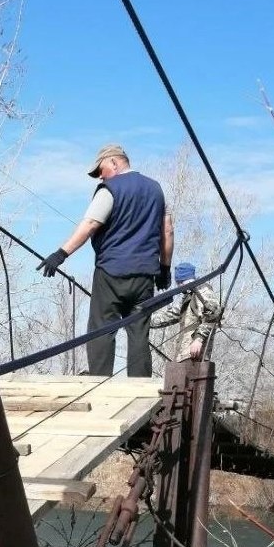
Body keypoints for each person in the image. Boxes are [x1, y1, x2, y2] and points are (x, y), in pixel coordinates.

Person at [37, 144, 173, 377]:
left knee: (102, 330)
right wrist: (164, 268)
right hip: (144, 276)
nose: (100, 176)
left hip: (111, 272)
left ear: (114, 162)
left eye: (100, 170)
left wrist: (61, 254)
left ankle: (99, 385)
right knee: (139, 333)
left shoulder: (110, 189)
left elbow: (90, 224)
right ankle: (138, 390)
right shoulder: (156, 190)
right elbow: (167, 231)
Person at [150, 262, 222, 362]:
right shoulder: (189, 295)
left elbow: (214, 313)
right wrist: (144, 322)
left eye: (179, 282)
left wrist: (198, 339)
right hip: (185, 354)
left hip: (195, 353)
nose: (178, 286)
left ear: (182, 280)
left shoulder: (202, 289)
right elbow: (171, 315)